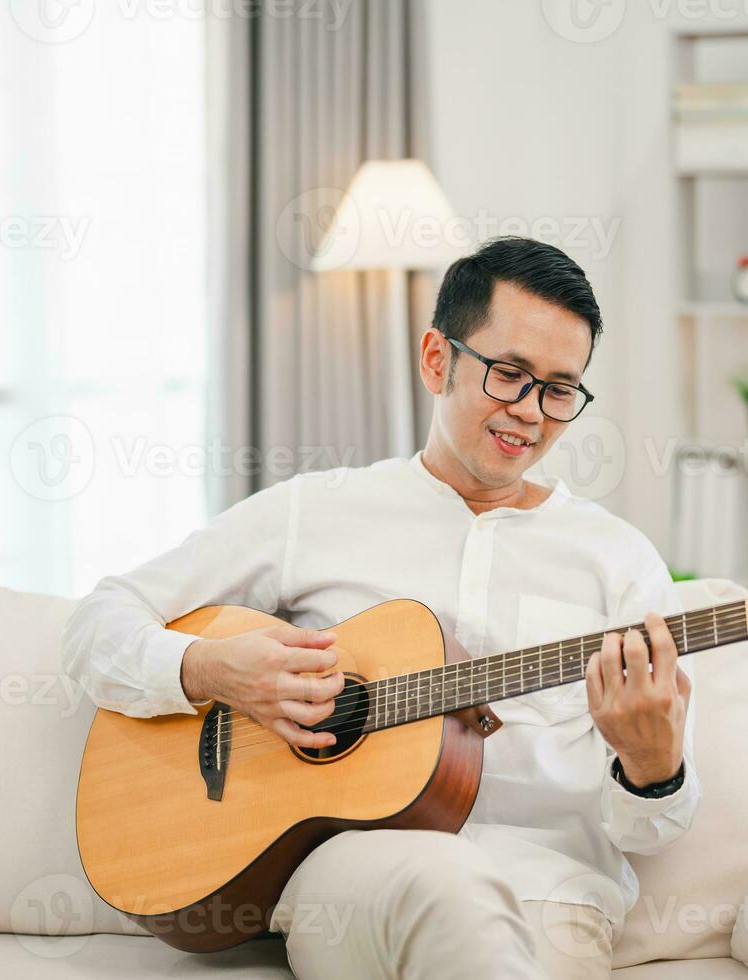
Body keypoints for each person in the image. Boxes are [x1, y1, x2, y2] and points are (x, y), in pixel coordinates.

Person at [63, 237, 699, 979]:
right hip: (358, 881)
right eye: (509, 374)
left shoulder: (620, 562)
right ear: (437, 359)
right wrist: (209, 670)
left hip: (550, 899)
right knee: (446, 886)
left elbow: (654, 832)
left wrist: (652, 766)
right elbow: (97, 623)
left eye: (560, 389)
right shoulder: (317, 511)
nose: (530, 413)